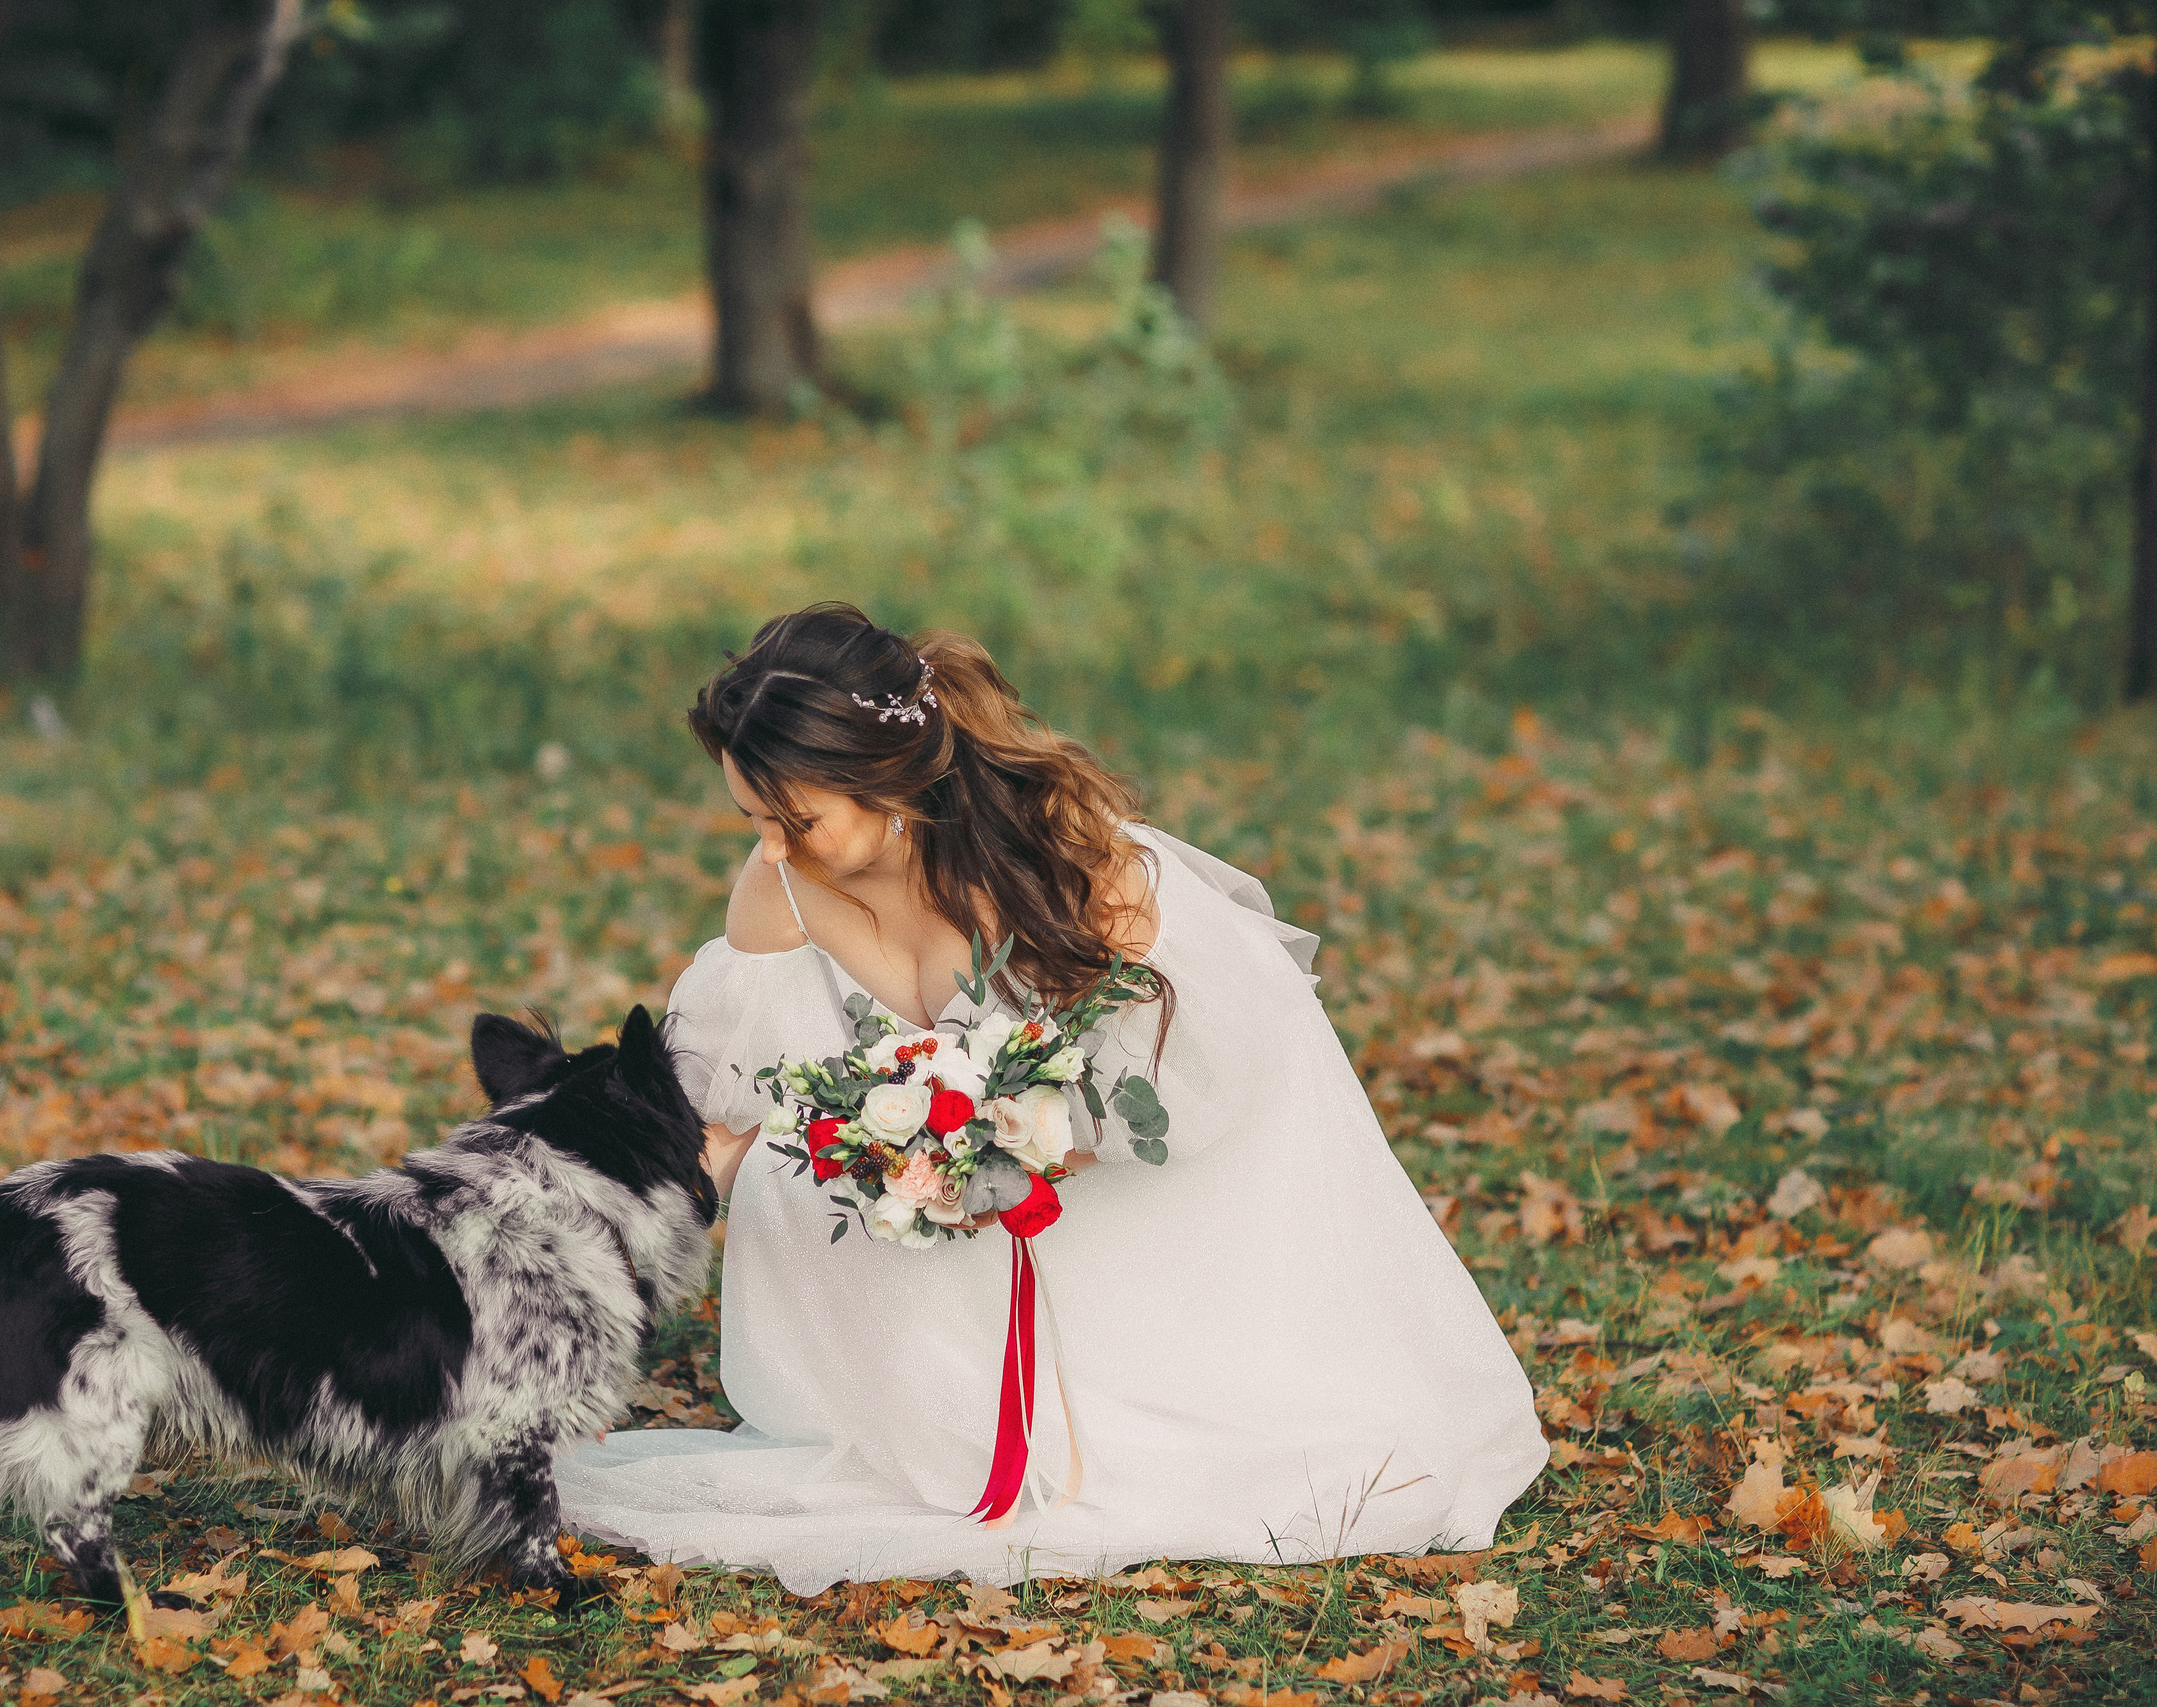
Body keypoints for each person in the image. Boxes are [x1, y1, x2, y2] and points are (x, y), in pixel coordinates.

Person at [555, 605, 1544, 1593]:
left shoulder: (1062, 861)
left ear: (884, 780)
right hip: (939, 1196)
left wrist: (1000, 1146)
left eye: (795, 820)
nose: (770, 850)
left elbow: (1187, 1082)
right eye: (752, 820)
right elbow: (725, 1097)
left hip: (1127, 1178)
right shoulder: (781, 888)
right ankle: (901, 1411)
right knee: (807, 1182)